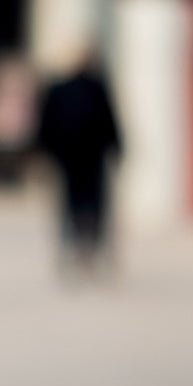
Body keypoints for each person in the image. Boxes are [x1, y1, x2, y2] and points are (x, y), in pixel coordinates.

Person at [34, 52, 122, 271]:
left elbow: (108, 120)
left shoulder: (79, 89)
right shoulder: (88, 89)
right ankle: (81, 246)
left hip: (76, 157)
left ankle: (83, 246)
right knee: (85, 202)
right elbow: (48, 122)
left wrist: (42, 151)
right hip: (80, 157)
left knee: (78, 203)